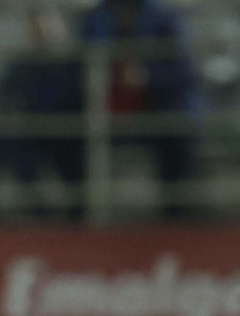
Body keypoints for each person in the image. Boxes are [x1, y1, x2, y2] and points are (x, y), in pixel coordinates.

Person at [80, 0, 199, 218]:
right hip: (104, 109)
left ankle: (176, 218)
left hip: (156, 107)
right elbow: (80, 64)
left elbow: (183, 71)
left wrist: (147, 76)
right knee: (69, 135)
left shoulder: (165, 19)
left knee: (175, 136)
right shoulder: (94, 18)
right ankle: (82, 216)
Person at [0, 8, 86, 220]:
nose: (40, 34)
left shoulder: (69, 65)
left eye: (45, 29)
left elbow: (74, 100)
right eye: (35, 30)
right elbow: (4, 96)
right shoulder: (20, 65)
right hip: (27, 130)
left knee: (72, 149)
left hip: (62, 129)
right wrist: (12, 114)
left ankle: (78, 212)